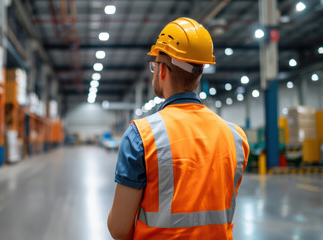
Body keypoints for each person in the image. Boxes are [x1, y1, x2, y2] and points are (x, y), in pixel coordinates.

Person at [107, 17, 249, 240]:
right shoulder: (236, 137)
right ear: (199, 73)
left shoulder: (141, 135)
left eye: (154, 65)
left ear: (162, 70)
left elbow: (119, 229)